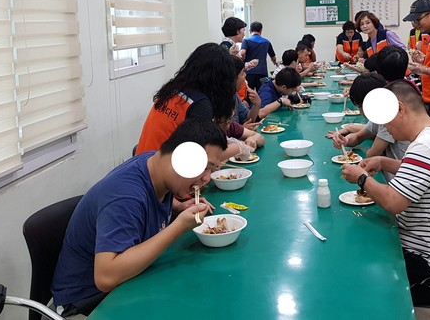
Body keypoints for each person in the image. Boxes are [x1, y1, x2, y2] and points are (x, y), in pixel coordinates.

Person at [51, 118, 227, 316]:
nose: (207, 178)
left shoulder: (155, 164)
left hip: (126, 286)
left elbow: (149, 198)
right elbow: (105, 277)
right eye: (204, 167)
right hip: (85, 303)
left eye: (212, 169)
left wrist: (178, 206)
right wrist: (178, 226)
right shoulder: (125, 196)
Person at [340, 80, 430, 303]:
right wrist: (383, 162)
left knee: (355, 274)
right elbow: (422, 171)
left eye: (386, 122)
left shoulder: (425, 147)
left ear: (400, 109)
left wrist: (361, 178)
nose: (386, 129)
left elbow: (393, 203)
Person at [136, 43, 236, 155]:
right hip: (164, 164)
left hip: (142, 159)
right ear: (220, 78)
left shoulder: (172, 90)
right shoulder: (199, 105)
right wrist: (239, 147)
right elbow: (202, 155)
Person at [329, 73, 409, 181]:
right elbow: (358, 136)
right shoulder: (380, 114)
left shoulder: (390, 119)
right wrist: (345, 141)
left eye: (361, 107)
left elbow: (371, 155)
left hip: (399, 180)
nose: (361, 112)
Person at [240, 21, 277, 90]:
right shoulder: (266, 42)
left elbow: (242, 53)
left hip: (249, 73)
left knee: (248, 93)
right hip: (262, 72)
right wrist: (275, 63)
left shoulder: (246, 41)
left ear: (250, 30)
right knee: (262, 93)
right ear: (261, 30)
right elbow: (273, 57)